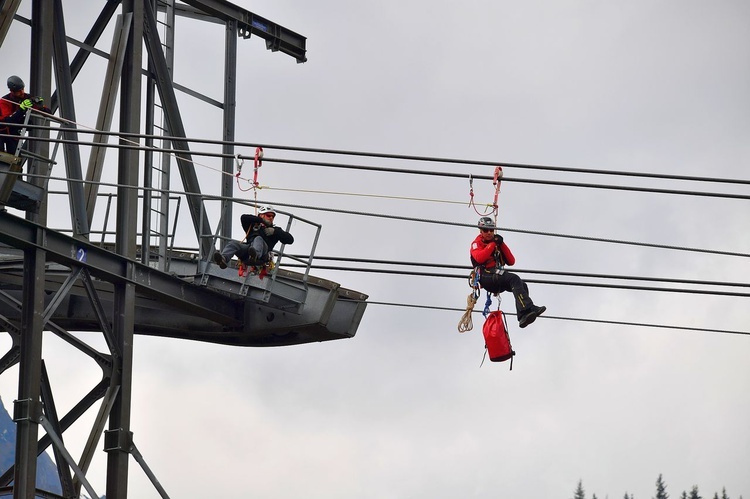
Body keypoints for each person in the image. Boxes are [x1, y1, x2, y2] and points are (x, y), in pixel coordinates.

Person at [470, 216, 546, 328]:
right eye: (486, 230)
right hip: (486, 276)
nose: (489, 232)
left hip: (495, 275)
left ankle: (523, 316)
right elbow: (480, 258)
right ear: (480, 231)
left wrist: (501, 243)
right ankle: (527, 307)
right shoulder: (476, 244)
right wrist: (493, 244)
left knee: (522, 284)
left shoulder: (496, 242)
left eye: (491, 229)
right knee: (514, 278)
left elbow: (511, 261)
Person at [213, 204, 294, 270]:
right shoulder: (253, 226)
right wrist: (261, 221)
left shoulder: (275, 230)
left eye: (273, 217)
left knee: (258, 239)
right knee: (233, 244)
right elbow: (244, 218)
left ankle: (255, 255)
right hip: (248, 250)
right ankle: (223, 259)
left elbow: (290, 240)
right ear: (261, 215)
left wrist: (275, 231)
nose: (271, 218)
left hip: (262, 254)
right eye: (269, 215)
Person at [0, 75, 47, 155]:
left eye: (22, 89)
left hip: (13, 133)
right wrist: (21, 109)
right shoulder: (4, 101)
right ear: (12, 91)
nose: (22, 92)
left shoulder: (27, 98)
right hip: (2, 131)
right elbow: (8, 121)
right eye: (19, 91)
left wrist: (41, 107)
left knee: (14, 156)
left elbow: (48, 114)